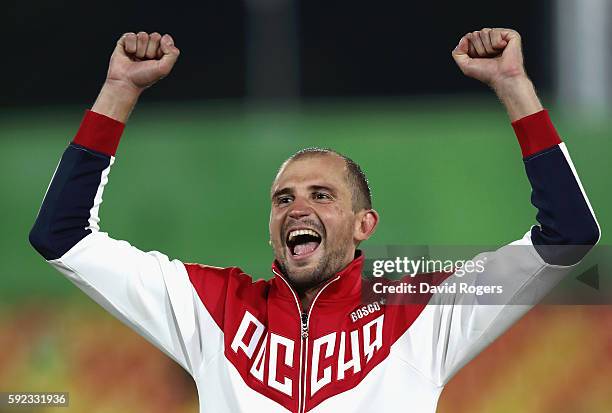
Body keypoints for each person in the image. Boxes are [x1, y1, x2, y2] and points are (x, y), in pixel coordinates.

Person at [29, 28, 599, 413]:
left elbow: (567, 235)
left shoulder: (421, 310)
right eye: (283, 199)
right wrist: (119, 89)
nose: (297, 208)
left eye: (322, 195)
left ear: (363, 225)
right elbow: (63, 235)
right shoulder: (210, 309)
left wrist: (513, 87)